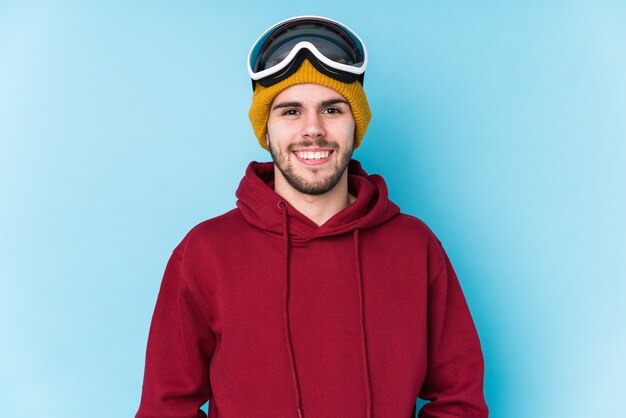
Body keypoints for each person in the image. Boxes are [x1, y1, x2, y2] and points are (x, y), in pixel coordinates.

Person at [136, 16, 488, 418]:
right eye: (290, 112)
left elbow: (460, 401)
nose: (313, 130)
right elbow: (165, 408)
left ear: (355, 125)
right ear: (265, 130)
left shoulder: (415, 246)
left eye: (332, 109)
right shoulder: (205, 252)